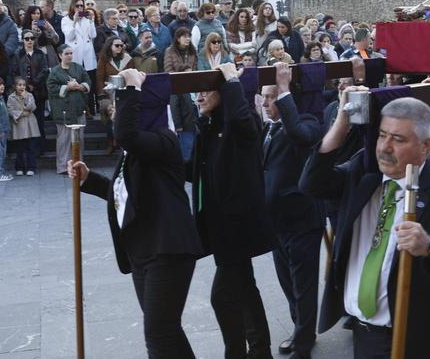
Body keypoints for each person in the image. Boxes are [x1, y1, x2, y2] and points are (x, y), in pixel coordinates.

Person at [300, 89, 430, 358]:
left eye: (398, 139)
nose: (384, 147)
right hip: (365, 337)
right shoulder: (362, 174)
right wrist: (342, 124)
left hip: (421, 342)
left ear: (426, 145)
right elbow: (311, 184)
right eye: (382, 135)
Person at [68, 67, 204, 358]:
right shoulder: (135, 152)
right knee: (166, 330)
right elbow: (126, 196)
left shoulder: (163, 140)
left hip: (167, 250)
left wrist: (132, 87)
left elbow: (126, 135)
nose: (116, 113)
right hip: (143, 250)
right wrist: (89, 179)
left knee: (158, 333)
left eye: (120, 107)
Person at [190, 62, 275, 359]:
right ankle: (261, 349)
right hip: (222, 227)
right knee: (245, 287)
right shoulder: (210, 127)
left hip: (237, 227)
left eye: (204, 91)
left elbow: (244, 123)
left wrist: (231, 81)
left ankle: (238, 352)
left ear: (223, 93)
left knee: (222, 297)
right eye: (195, 93)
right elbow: (194, 170)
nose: (198, 98)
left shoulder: (238, 124)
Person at [261, 63, 325, 359]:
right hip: (278, 223)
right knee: (288, 284)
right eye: (264, 97)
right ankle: (300, 329)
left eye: (271, 98)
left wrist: (284, 91)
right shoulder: (269, 128)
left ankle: (303, 344)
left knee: (303, 287)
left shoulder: (308, 121)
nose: (266, 103)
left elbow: (300, 135)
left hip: (302, 220)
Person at [48, 44, 91, 174]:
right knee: (64, 141)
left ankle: (78, 165)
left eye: (71, 53)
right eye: (66, 53)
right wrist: (66, 87)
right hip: (63, 111)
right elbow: (51, 88)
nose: (69, 56)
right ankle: (63, 167)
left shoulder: (78, 68)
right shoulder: (55, 72)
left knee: (80, 139)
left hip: (78, 109)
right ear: (60, 55)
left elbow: (88, 81)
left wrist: (80, 86)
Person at [163, 28, 198, 162]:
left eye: (189, 36)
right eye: (184, 36)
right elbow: (168, 70)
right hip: (176, 86)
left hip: (191, 87)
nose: (188, 38)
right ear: (178, 38)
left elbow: (194, 68)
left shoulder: (192, 51)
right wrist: (180, 81)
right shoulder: (170, 51)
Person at [97, 36, 131, 155]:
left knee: (123, 119)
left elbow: (132, 74)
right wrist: (101, 94)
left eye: (121, 45)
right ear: (110, 46)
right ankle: (110, 143)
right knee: (110, 119)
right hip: (109, 93)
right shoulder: (104, 59)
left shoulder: (127, 58)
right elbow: (100, 78)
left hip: (124, 92)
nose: (119, 48)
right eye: (117, 45)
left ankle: (123, 144)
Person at [62, 0, 99, 99]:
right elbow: (69, 36)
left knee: (89, 83)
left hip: (87, 55)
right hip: (75, 55)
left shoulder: (86, 19)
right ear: (72, 6)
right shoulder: (65, 20)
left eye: (81, 6)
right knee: (76, 82)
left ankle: (91, 109)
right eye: (77, 6)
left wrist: (91, 20)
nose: (79, 8)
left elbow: (93, 35)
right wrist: (74, 21)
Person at [7, 77, 41, 176]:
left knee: (31, 148)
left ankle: (31, 167)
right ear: (15, 86)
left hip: (30, 124)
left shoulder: (29, 95)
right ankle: (19, 167)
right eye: (19, 85)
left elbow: (33, 107)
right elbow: (10, 110)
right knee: (20, 149)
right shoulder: (11, 97)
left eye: (24, 85)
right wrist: (21, 113)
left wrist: (25, 98)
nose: (22, 87)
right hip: (19, 125)